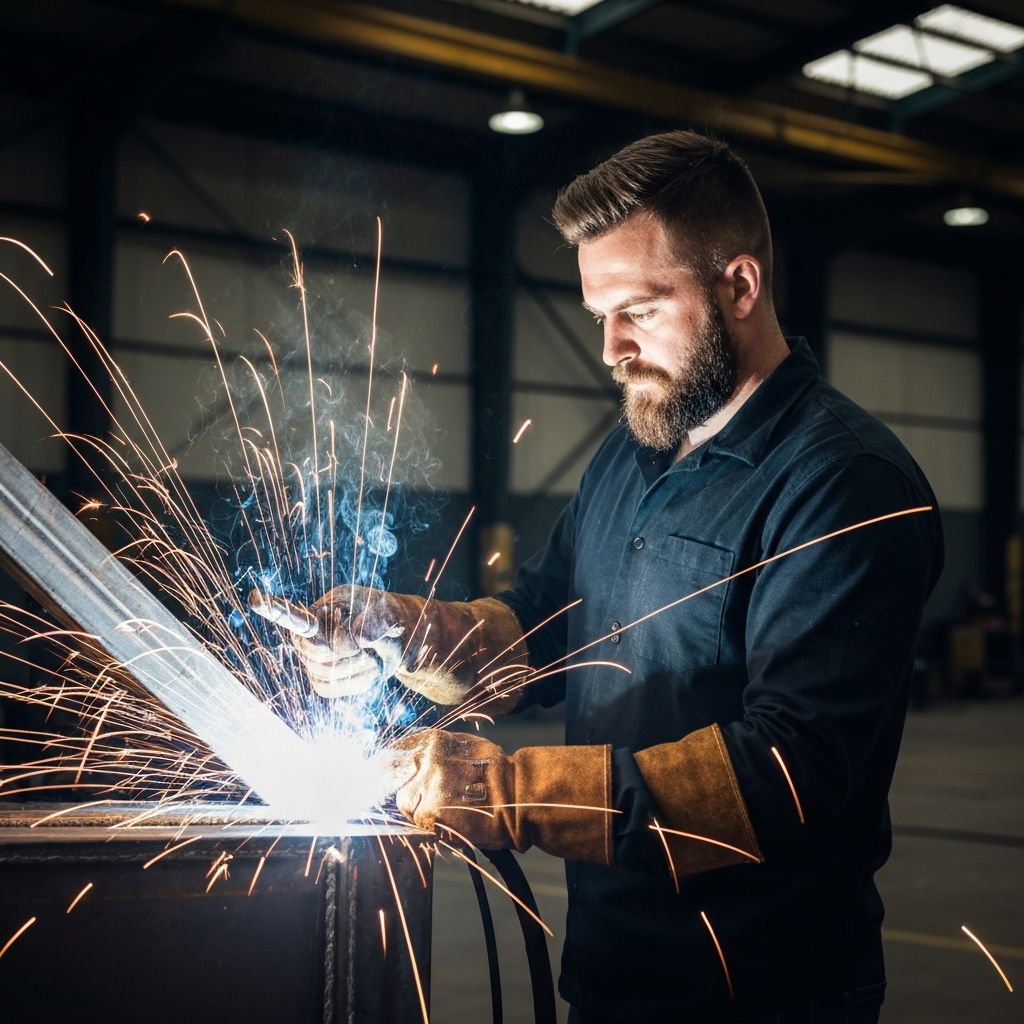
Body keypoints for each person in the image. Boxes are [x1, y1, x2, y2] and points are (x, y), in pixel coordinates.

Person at [293, 131, 943, 1023]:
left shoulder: (845, 484)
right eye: (601, 311)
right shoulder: (633, 452)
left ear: (740, 287)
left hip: (765, 990)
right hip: (610, 967)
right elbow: (539, 622)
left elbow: (787, 771)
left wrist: (512, 793)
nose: (611, 347)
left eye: (638, 308)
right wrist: (403, 634)